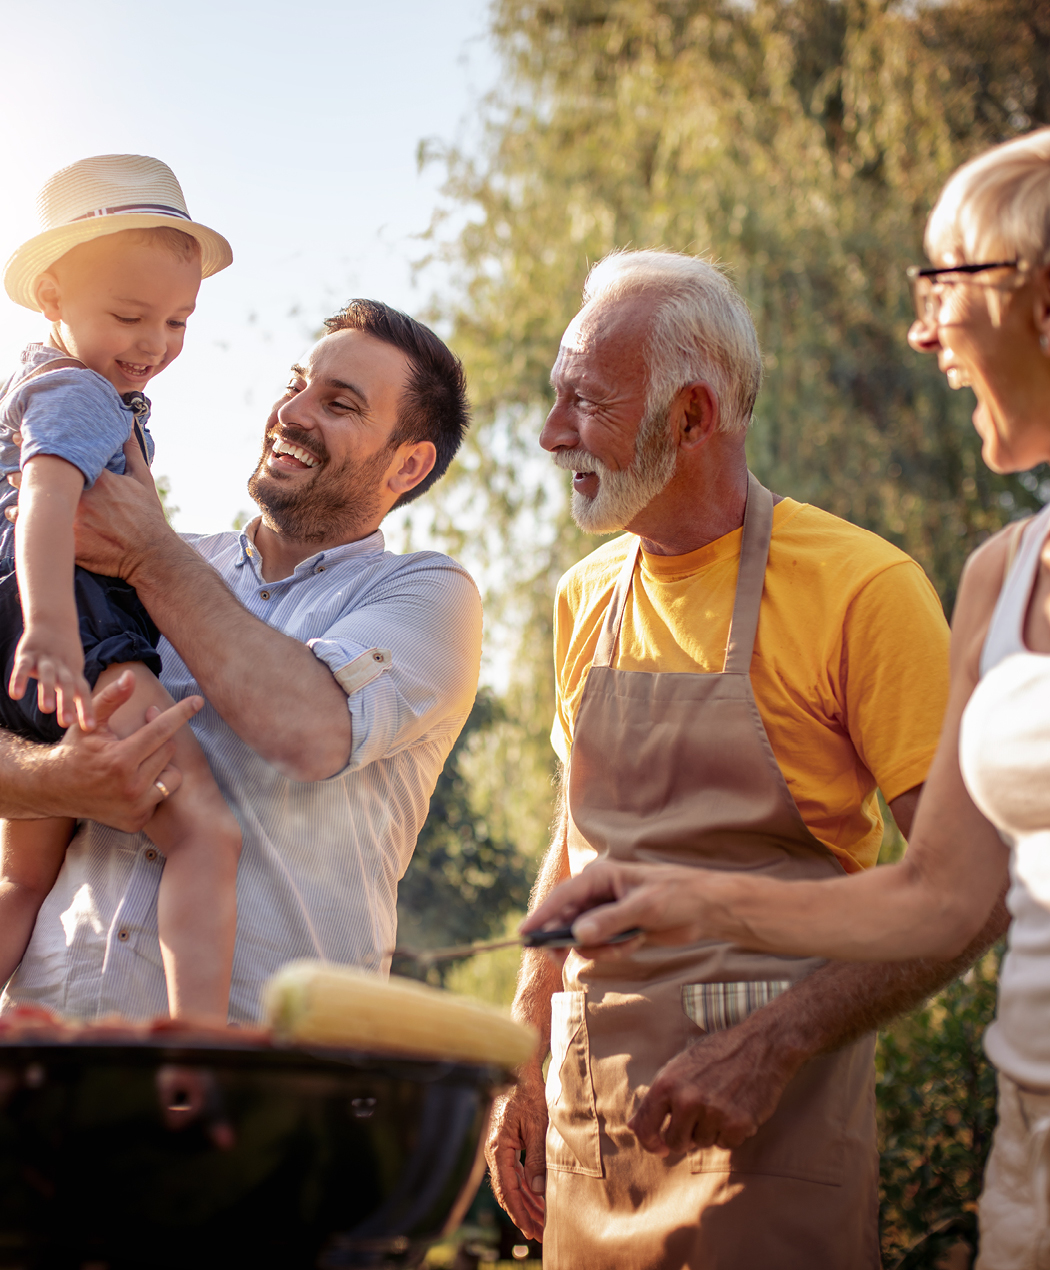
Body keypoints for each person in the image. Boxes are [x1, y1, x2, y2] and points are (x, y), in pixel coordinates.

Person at [526, 131, 1050, 1267]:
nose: (549, 431)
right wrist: (527, 1026)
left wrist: (768, 1044)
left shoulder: (864, 587)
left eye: (584, 401)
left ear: (694, 416)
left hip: (770, 1130)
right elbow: (576, 834)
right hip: (593, 1113)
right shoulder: (581, 597)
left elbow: (955, 890)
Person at [0, 296, 482, 1027]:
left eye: (340, 404)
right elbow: (21, 709)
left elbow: (310, 731)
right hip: (54, 1057)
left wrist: (146, 552)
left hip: (265, 1092)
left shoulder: (428, 595)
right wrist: (54, 779)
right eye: (296, 384)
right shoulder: (152, 558)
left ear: (408, 464)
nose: (292, 412)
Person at [0, 153, 242, 1023]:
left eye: (177, 321)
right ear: (53, 297)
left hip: (22, 631)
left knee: (23, 880)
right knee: (205, 836)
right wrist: (56, 632)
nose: (153, 345)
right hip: (73, 618)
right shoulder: (79, 393)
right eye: (131, 316)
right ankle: (200, 1043)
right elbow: (47, 507)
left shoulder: (31, 383)